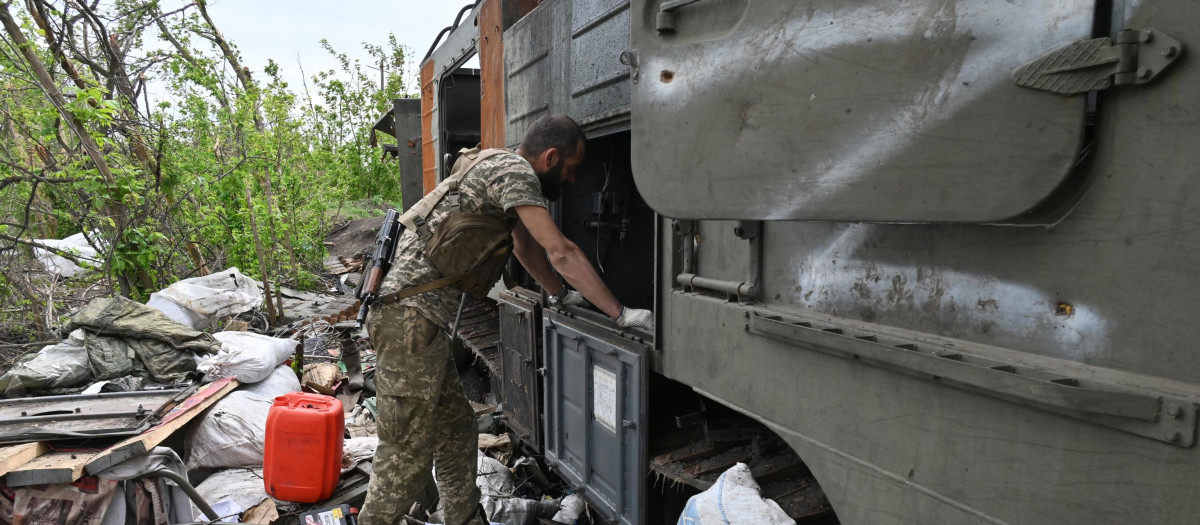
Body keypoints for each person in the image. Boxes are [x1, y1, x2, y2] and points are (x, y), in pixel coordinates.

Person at [359, 114, 653, 525]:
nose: (570, 182)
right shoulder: (515, 172)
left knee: (457, 429)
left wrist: (560, 294)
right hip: (408, 317)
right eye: (570, 170)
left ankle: (465, 517)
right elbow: (560, 251)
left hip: (418, 319)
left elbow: (523, 248)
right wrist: (620, 314)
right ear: (550, 156)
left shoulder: (497, 168)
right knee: (405, 451)